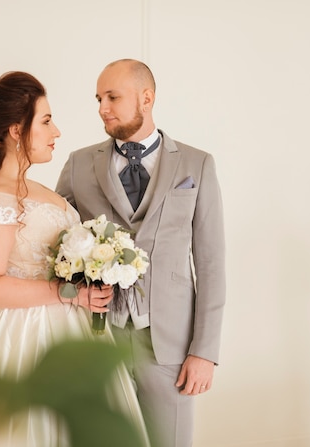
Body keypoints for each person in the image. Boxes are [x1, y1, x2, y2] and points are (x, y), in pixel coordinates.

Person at [0, 71, 150, 446]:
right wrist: (71, 294)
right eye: (46, 121)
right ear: (17, 130)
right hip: (23, 341)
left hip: (73, 333)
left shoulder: (41, 190)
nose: (56, 131)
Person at [56, 59, 226, 447]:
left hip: (169, 346)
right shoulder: (80, 164)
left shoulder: (197, 164)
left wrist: (204, 351)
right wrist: (71, 292)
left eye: (112, 97)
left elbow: (212, 263)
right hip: (98, 339)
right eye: (99, 99)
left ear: (146, 98)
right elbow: (55, 242)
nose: (102, 107)